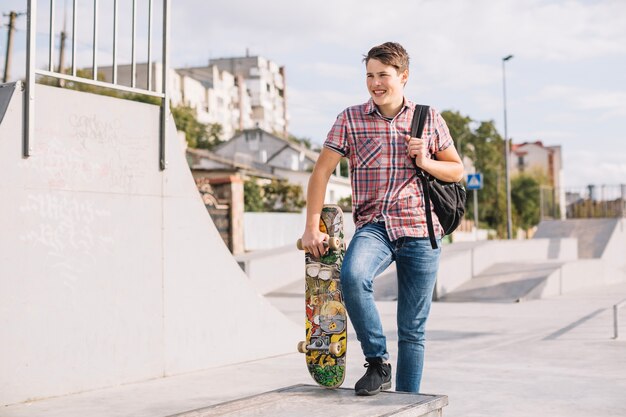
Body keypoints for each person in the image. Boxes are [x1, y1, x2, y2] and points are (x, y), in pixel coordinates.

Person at [300, 42, 463, 396]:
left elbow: (457, 171)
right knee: (353, 275)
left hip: (421, 231)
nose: (376, 83)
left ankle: (407, 403)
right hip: (375, 226)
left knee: (412, 331)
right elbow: (321, 173)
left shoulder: (428, 118)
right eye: (370, 76)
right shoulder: (350, 118)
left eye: (383, 76)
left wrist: (426, 162)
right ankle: (377, 362)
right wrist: (312, 225)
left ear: (403, 77)